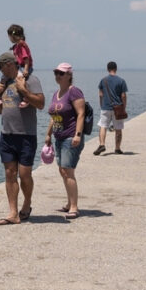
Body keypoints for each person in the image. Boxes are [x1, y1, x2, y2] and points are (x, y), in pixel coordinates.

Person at [0, 51, 45, 225]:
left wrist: (24, 91)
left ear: (10, 65)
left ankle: (27, 204)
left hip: (26, 135)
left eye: (1, 67)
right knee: (9, 173)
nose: (0, 71)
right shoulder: (3, 83)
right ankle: (13, 213)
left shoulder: (30, 80)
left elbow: (41, 104)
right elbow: (1, 110)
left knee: (24, 174)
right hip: (7, 134)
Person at [44, 62, 86, 219]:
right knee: (62, 170)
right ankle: (69, 203)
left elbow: (81, 114)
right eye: (56, 73)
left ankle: (74, 207)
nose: (57, 76)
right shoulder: (56, 94)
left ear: (69, 75)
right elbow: (54, 117)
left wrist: (78, 134)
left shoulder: (74, 92)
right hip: (59, 137)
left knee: (68, 171)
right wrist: (48, 134)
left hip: (70, 137)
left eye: (61, 73)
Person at [95, 61, 129, 155]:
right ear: (116, 69)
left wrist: (101, 105)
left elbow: (101, 95)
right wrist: (124, 107)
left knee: (103, 126)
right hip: (118, 108)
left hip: (105, 107)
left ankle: (102, 144)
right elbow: (123, 96)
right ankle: (117, 148)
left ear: (107, 69)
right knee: (118, 129)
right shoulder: (121, 81)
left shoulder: (103, 80)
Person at [6, 24, 34, 108]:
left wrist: (25, 70)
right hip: (19, 66)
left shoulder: (22, 46)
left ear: (13, 36)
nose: (9, 38)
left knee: (20, 79)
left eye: (9, 36)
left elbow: (26, 59)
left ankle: (26, 99)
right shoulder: (17, 46)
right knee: (9, 78)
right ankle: (8, 95)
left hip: (25, 66)